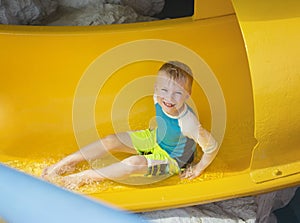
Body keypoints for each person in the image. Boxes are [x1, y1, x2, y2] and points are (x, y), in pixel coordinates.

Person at [42, 61, 219, 189]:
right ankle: (66, 163)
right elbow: (163, 100)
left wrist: (198, 168)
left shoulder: (188, 123)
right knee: (111, 140)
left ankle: (84, 177)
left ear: (188, 95)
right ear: (156, 89)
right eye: (164, 90)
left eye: (178, 93)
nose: (169, 98)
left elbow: (211, 146)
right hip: (155, 138)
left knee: (134, 163)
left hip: (172, 159)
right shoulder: (158, 97)